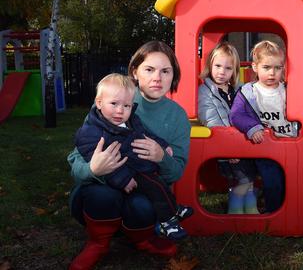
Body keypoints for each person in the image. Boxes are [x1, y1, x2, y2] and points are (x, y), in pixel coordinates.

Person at [67, 41, 191, 270]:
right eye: (149, 69)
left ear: (173, 76)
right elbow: (76, 159)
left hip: (143, 188)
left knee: (143, 206)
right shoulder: (113, 99)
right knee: (101, 195)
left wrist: (161, 156)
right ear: (135, 71)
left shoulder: (178, 116)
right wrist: (92, 170)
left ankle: (142, 239)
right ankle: (98, 243)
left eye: (166, 71)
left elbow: (176, 172)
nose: (157, 78)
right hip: (101, 186)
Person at [75, 73, 193, 241]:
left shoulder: (132, 120)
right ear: (99, 103)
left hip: (138, 166)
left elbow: (145, 134)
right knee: (151, 186)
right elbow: (90, 156)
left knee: (156, 185)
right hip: (121, 173)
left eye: (126, 106)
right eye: (114, 104)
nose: (120, 110)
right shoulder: (90, 131)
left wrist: (163, 146)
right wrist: (122, 179)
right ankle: (168, 222)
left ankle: (168, 213)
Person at [230, 40, 298, 213]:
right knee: (272, 180)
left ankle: (293, 209)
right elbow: (236, 115)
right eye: (266, 67)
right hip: (266, 147)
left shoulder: (289, 89)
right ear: (255, 67)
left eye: (278, 68)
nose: (272, 73)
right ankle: (274, 211)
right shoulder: (249, 91)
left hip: (291, 143)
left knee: (294, 179)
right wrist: (252, 127)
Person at [197, 42, 259, 214]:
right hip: (227, 148)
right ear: (210, 64)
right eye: (217, 66)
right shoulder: (205, 91)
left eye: (228, 68)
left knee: (250, 178)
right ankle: (237, 211)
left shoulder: (240, 90)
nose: (222, 72)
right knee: (243, 179)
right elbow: (210, 119)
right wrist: (228, 148)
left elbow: (251, 112)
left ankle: (249, 207)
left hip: (245, 144)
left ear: (234, 70)